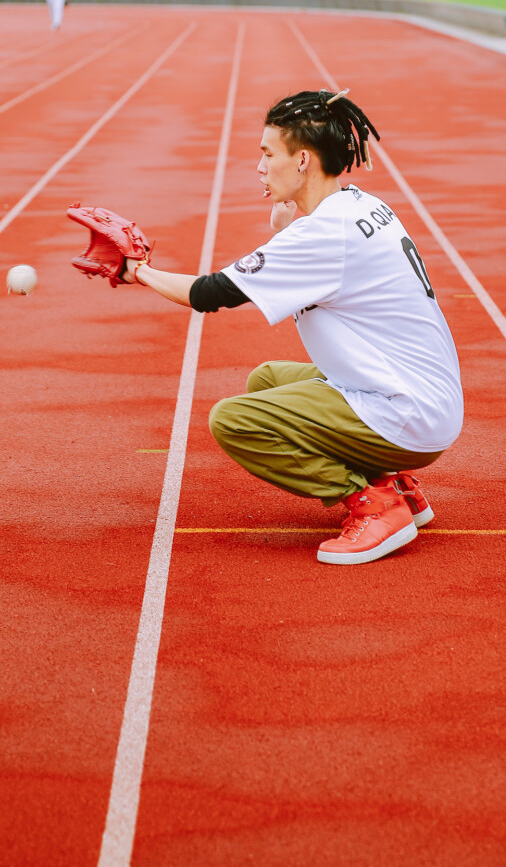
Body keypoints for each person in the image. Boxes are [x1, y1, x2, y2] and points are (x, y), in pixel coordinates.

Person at [122, 90, 463, 566]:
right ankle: (393, 483)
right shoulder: (360, 204)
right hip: (424, 393)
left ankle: (375, 506)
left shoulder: (322, 234)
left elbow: (209, 293)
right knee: (266, 380)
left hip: (407, 412)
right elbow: (332, 274)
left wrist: (136, 270)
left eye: (267, 153)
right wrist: (287, 231)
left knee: (235, 420)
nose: (259, 166)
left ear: (302, 160)